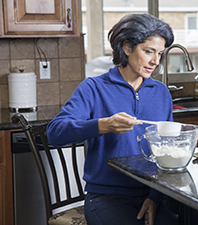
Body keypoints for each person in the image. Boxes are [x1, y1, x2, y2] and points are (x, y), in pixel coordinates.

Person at [47, 13, 179, 225]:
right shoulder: (93, 88)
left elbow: (167, 150)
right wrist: (103, 125)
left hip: (153, 194)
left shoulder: (160, 92)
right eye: (148, 52)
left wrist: (154, 197)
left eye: (160, 54)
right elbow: (55, 133)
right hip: (107, 197)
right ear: (127, 48)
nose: (155, 61)